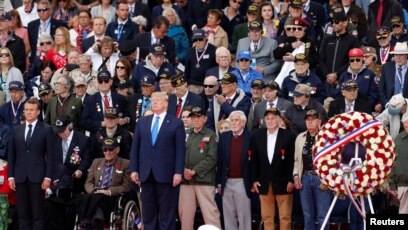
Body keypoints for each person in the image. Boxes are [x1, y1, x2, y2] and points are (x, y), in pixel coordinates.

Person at [130, 91, 186, 229]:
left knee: (167, 214)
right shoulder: (142, 122)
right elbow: (135, 147)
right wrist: (134, 169)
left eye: (158, 100)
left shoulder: (176, 123)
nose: (154, 102)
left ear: (166, 104)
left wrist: (178, 172)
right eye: (153, 100)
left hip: (167, 175)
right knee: (148, 214)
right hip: (146, 174)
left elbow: (180, 150)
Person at [8, 98, 54, 230]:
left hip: (38, 177)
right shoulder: (16, 130)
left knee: (38, 214)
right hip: (20, 177)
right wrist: (11, 176)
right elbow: (11, 155)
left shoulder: (46, 129)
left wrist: (48, 177)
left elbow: (51, 156)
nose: (28, 112)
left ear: (38, 112)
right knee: (22, 214)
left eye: (31, 110)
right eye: (26, 110)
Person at [251, 107, 296, 230]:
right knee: (266, 217)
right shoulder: (257, 135)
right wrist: (254, 179)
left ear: (278, 119)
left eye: (273, 118)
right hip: (263, 181)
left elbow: (293, 160)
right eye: (267, 118)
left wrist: (291, 180)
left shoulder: (289, 136)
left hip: (284, 182)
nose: (270, 121)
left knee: (285, 217)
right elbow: (254, 160)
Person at [179, 106, 221, 229]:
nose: (195, 120)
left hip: (204, 180)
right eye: (193, 117)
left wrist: (194, 171)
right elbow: (177, 154)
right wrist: (183, 170)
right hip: (186, 180)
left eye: (199, 117)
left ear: (205, 118)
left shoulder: (211, 135)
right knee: (185, 214)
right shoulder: (184, 134)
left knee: (210, 213)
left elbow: (212, 158)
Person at [46, 115, 91, 229]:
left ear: (70, 126)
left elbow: (86, 159)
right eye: (58, 131)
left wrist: (80, 170)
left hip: (74, 177)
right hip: (57, 176)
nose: (60, 134)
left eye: (63, 131)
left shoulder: (82, 140)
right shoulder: (54, 138)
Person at [76, 137, 131, 229]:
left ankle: (89, 222)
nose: (107, 152)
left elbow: (126, 186)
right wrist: (94, 191)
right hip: (95, 194)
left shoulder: (125, 164)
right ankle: (97, 220)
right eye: (105, 150)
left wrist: (109, 191)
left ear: (117, 150)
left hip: (111, 197)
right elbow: (88, 183)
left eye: (110, 149)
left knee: (97, 198)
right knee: (82, 197)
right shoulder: (96, 162)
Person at [293, 109, 333, 230]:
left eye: (313, 119)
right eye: (307, 120)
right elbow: (296, 160)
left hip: (321, 179)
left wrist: (327, 179)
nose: (310, 122)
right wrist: (296, 176)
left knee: (323, 216)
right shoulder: (300, 137)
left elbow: (333, 160)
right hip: (304, 177)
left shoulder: (327, 137)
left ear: (319, 121)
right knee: (307, 215)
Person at [216, 111, 252, 230]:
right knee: (228, 216)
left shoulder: (250, 137)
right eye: (232, 120)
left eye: (236, 120)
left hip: (243, 181)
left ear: (243, 123)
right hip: (226, 181)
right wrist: (219, 183)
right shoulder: (224, 137)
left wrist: (253, 180)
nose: (233, 123)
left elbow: (254, 161)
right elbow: (220, 161)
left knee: (244, 216)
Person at [318, 11, 360, 98]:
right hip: (327, 81)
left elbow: (352, 61)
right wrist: (328, 75)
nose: (333, 24)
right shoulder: (327, 39)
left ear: (345, 23)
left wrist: (337, 74)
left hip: (344, 81)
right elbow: (321, 59)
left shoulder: (352, 40)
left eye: (336, 22)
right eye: (332, 22)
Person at [81, 70, 129, 135]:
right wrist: (102, 123)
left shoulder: (120, 98)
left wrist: (125, 120)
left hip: (117, 135)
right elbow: (84, 122)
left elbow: (128, 115)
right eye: (101, 81)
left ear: (111, 82)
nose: (103, 83)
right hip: (97, 137)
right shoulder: (90, 100)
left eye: (106, 80)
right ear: (97, 82)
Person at [27, 0, 67, 64]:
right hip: (36, 60)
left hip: (54, 59)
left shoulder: (60, 24)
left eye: (44, 9)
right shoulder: (31, 25)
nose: (41, 12)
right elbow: (32, 44)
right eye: (39, 10)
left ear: (50, 10)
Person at [184, 29, 217, 94]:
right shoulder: (191, 52)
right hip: (193, 85)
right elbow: (187, 70)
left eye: (200, 39)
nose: (198, 42)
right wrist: (187, 83)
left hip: (209, 85)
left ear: (205, 39)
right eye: (195, 40)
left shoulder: (214, 50)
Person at [389, 112, 408, 214]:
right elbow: (392, 162)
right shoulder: (398, 139)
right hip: (402, 185)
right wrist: (392, 184)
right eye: (405, 125)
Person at [379, 42, 408, 107]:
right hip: (389, 105)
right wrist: (386, 104)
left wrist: (406, 104)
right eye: (396, 55)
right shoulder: (386, 67)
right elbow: (381, 90)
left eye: (401, 55)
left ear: (406, 55)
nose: (398, 58)